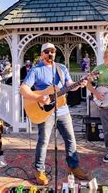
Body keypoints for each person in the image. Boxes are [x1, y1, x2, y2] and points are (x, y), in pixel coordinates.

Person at [20, 43, 89, 185]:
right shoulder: (36, 70)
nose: (50, 54)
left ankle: (74, 166)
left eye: (52, 51)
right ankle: (39, 170)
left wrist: (79, 84)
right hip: (45, 111)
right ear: (41, 54)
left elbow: (70, 84)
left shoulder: (61, 68)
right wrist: (38, 98)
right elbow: (23, 89)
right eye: (47, 51)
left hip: (63, 110)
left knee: (70, 139)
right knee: (43, 141)